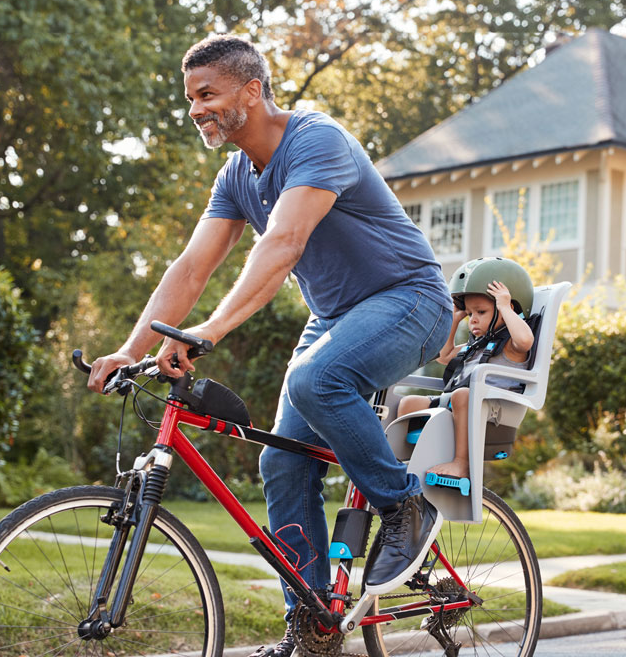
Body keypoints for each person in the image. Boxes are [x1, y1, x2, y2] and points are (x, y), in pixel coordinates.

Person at [88, 34, 453, 656]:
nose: (196, 109)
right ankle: (313, 623)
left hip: (410, 300)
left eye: (207, 95)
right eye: (189, 99)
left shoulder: (317, 139)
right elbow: (191, 268)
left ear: (251, 91)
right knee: (282, 461)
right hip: (337, 316)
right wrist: (131, 348)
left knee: (317, 379)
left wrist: (209, 331)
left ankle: (406, 506)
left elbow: (282, 244)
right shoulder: (236, 176)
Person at [397, 257, 535, 481]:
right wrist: (456, 316)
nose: (473, 321)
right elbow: (444, 356)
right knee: (409, 403)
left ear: (507, 307)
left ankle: (462, 464)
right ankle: (409, 464)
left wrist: (504, 307)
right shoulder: (475, 346)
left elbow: (526, 340)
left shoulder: (511, 345)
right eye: (470, 314)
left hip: (493, 412)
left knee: (463, 395)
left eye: (481, 312)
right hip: (460, 404)